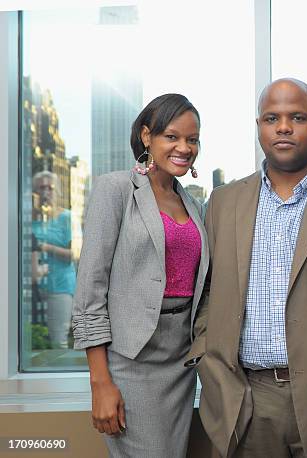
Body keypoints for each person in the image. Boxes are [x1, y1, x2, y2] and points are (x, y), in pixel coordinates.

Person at [187, 78, 307, 457]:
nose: (283, 127)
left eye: (297, 117)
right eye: (271, 118)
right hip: (244, 403)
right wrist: (207, 359)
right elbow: (208, 292)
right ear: (258, 126)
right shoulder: (224, 203)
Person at [71, 93, 209, 457]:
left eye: (192, 139)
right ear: (147, 137)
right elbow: (90, 292)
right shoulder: (115, 189)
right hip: (131, 361)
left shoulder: (193, 204)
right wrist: (100, 383)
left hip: (181, 362)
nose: (184, 147)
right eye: (172, 136)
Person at [32, 171, 76, 349]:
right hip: (33, 287)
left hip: (60, 286)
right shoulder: (28, 218)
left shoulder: (66, 217)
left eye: (49, 188)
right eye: (41, 188)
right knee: (34, 339)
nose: (45, 192)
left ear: (57, 191)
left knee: (58, 340)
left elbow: (75, 253)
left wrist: (44, 247)